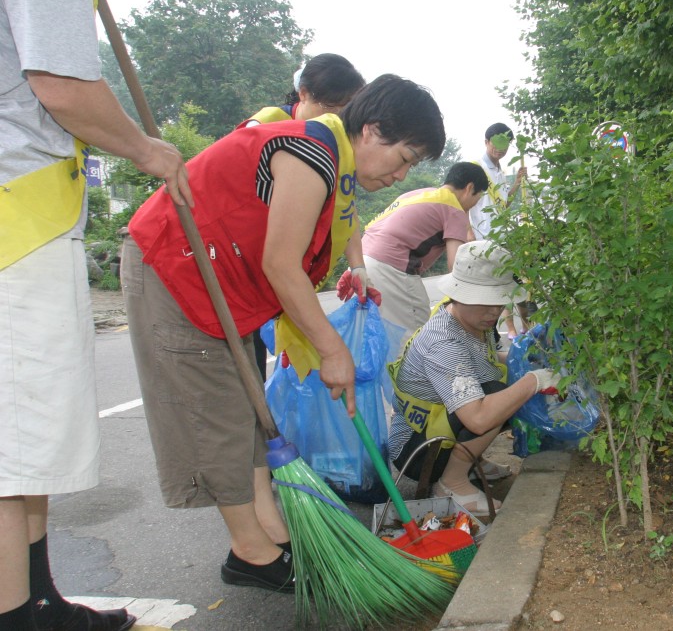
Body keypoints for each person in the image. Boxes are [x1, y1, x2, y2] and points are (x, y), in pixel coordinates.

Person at [122, 74, 444, 592]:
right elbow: (280, 263)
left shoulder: (336, 163)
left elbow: (341, 225)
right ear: (373, 130)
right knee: (218, 413)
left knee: (248, 412)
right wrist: (330, 349)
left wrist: (356, 268)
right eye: (404, 156)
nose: (402, 172)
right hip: (178, 269)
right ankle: (249, 554)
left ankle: (271, 533)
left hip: (221, 285)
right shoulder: (311, 152)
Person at [1, 0, 190, 629]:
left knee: (25, 440)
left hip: (22, 213)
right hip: (16, 215)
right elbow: (60, 81)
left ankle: (35, 597)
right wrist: (147, 149)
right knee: (13, 437)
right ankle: (16, 612)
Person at [387, 242, 559, 516]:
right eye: (484, 301)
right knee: (496, 394)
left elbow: (487, 359)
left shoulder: (472, 321)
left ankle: (469, 459)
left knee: (501, 388)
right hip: (417, 452)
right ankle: (451, 482)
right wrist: (533, 381)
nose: (494, 311)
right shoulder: (443, 342)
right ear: (459, 295)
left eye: (499, 301)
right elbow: (477, 419)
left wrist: (525, 360)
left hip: (437, 428)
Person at [240, 53, 368, 378]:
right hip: (245, 260)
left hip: (279, 267)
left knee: (273, 365)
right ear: (304, 94)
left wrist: (358, 267)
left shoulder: (338, 141)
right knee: (245, 365)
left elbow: (346, 207)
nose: (337, 118)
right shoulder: (269, 123)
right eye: (330, 108)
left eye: (345, 111)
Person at [359, 161, 489, 331]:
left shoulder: (419, 194)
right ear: (469, 188)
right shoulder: (454, 208)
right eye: (477, 198)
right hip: (391, 267)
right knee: (416, 334)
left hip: (360, 262)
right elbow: (457, 266)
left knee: (377, 332)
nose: (474, 205)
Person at [467, 123, 530, 341]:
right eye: (496, 143)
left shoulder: (500, 171)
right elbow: (463, 205)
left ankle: (528, 329)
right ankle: (510, 331)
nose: (500, 149)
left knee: (515, 286)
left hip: (505, 239)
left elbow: (503, 205)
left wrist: (517, 183)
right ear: (486, 142)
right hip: (484, 242)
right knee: (496, 291)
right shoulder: (475, 169)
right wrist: (470, 237)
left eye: (505, 144)